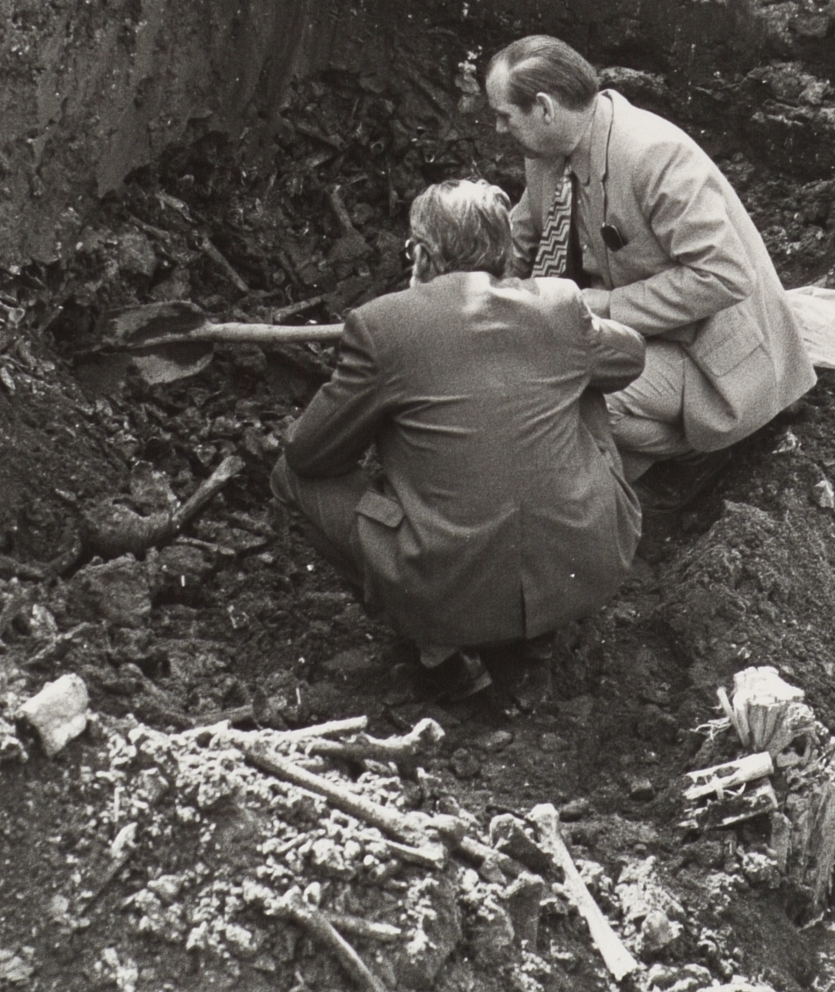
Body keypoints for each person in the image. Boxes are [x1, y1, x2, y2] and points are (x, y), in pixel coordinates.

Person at [271, 178, 647, 705]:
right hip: (586, 565)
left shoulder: (382, 326)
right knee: (584, 381)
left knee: (289, 476)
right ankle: (536, 638)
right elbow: (630, 357)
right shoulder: (558, 303)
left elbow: (308, 454)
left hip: (448, 587)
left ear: (422, 254)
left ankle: (440, 650)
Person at [486, 35, 816, 489]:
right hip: (633, 334)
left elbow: (725, 275)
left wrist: (601, 307)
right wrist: (469, 295)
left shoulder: (652, 155)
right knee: (527, 395)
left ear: (545, 108)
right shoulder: (548, 152)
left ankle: (696, 452)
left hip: (703, 352)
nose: (498, 129)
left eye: (505, 115)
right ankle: (611, 471)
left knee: (570, 402)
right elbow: (519, 238)